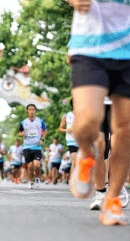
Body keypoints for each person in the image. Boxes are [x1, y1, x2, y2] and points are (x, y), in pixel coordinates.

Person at [67, 0, 130, 225]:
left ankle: (112, 200)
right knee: (87, 122)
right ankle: (86, 152)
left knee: (124, 131)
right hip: (90, 48)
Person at [19, 104, 47, 189]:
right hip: (27, 147)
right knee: (30, 166)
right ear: (27, 111)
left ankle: (37, 178)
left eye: (33, 109)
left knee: (37, 165)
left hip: (37, 147)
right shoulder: (23, 122)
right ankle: (31, 182)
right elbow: (19, 133)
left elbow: (45, 130)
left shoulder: (40, 121)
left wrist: (42, 140)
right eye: (30, 110)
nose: (31, 111)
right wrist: (22, 134)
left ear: (35, 111)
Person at [59, 99, 78, 178]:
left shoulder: (85, 115)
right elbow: (60, 128)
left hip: (82, 140)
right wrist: (67, 130)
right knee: (75, 161)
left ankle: (80, 180)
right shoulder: (66, 115)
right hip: (71, 141)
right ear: (73, 104)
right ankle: (72, 181)